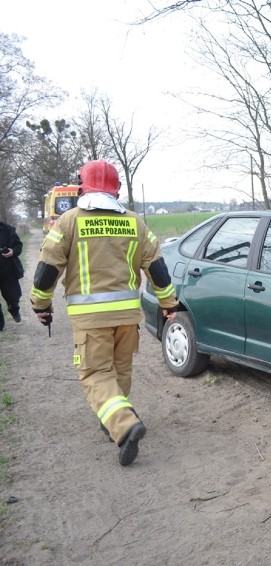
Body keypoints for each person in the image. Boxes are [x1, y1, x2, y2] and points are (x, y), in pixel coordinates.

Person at [30, 159, 180, 466]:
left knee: (95, 373)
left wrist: (41, 305)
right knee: (119, 371)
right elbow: (157, 269)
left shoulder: (70, 221)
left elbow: (48, 269)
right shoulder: (135, 222)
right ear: (116, 190)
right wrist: (169, 305)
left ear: (83, 187)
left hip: (91, 318)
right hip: (127, 315)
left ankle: (123, 425)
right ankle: (111, 419)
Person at [0, 220, 24, 329]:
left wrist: (12, 251)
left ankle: (14, 309)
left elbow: (18, 246)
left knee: (13, 297)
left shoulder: (7, 229)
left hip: (8, 270)